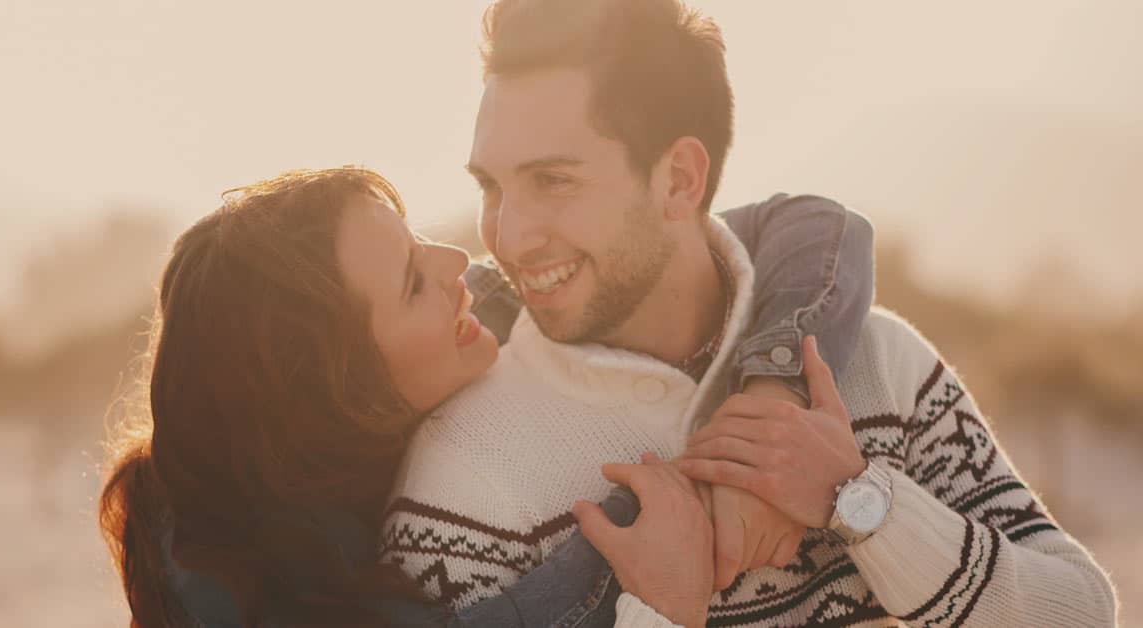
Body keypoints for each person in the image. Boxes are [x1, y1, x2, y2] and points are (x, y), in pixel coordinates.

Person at [381, 0, 1118, 626]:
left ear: (679, 178)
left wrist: (862, 502)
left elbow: (1083, 610)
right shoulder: (461, 474)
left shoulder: (875, 364)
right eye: (492, 186)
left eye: (553, 181)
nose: (507, 234)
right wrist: (657, 610)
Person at [98, 167, 876, 627]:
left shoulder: (479, 312)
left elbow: (816, 230)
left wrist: (771, 400)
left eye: (413, 238)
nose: (456, 261)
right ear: (341, 392)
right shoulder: (267, 593)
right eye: (411, 282)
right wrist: (679, 535)